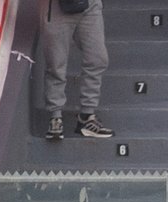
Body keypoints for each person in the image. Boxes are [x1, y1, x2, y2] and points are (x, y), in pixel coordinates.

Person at [41, 0, 114, 140]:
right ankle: (55, 117)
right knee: (56, 63)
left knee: (97, 58)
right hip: (56, 7)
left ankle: (87, 116)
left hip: (90, 6)